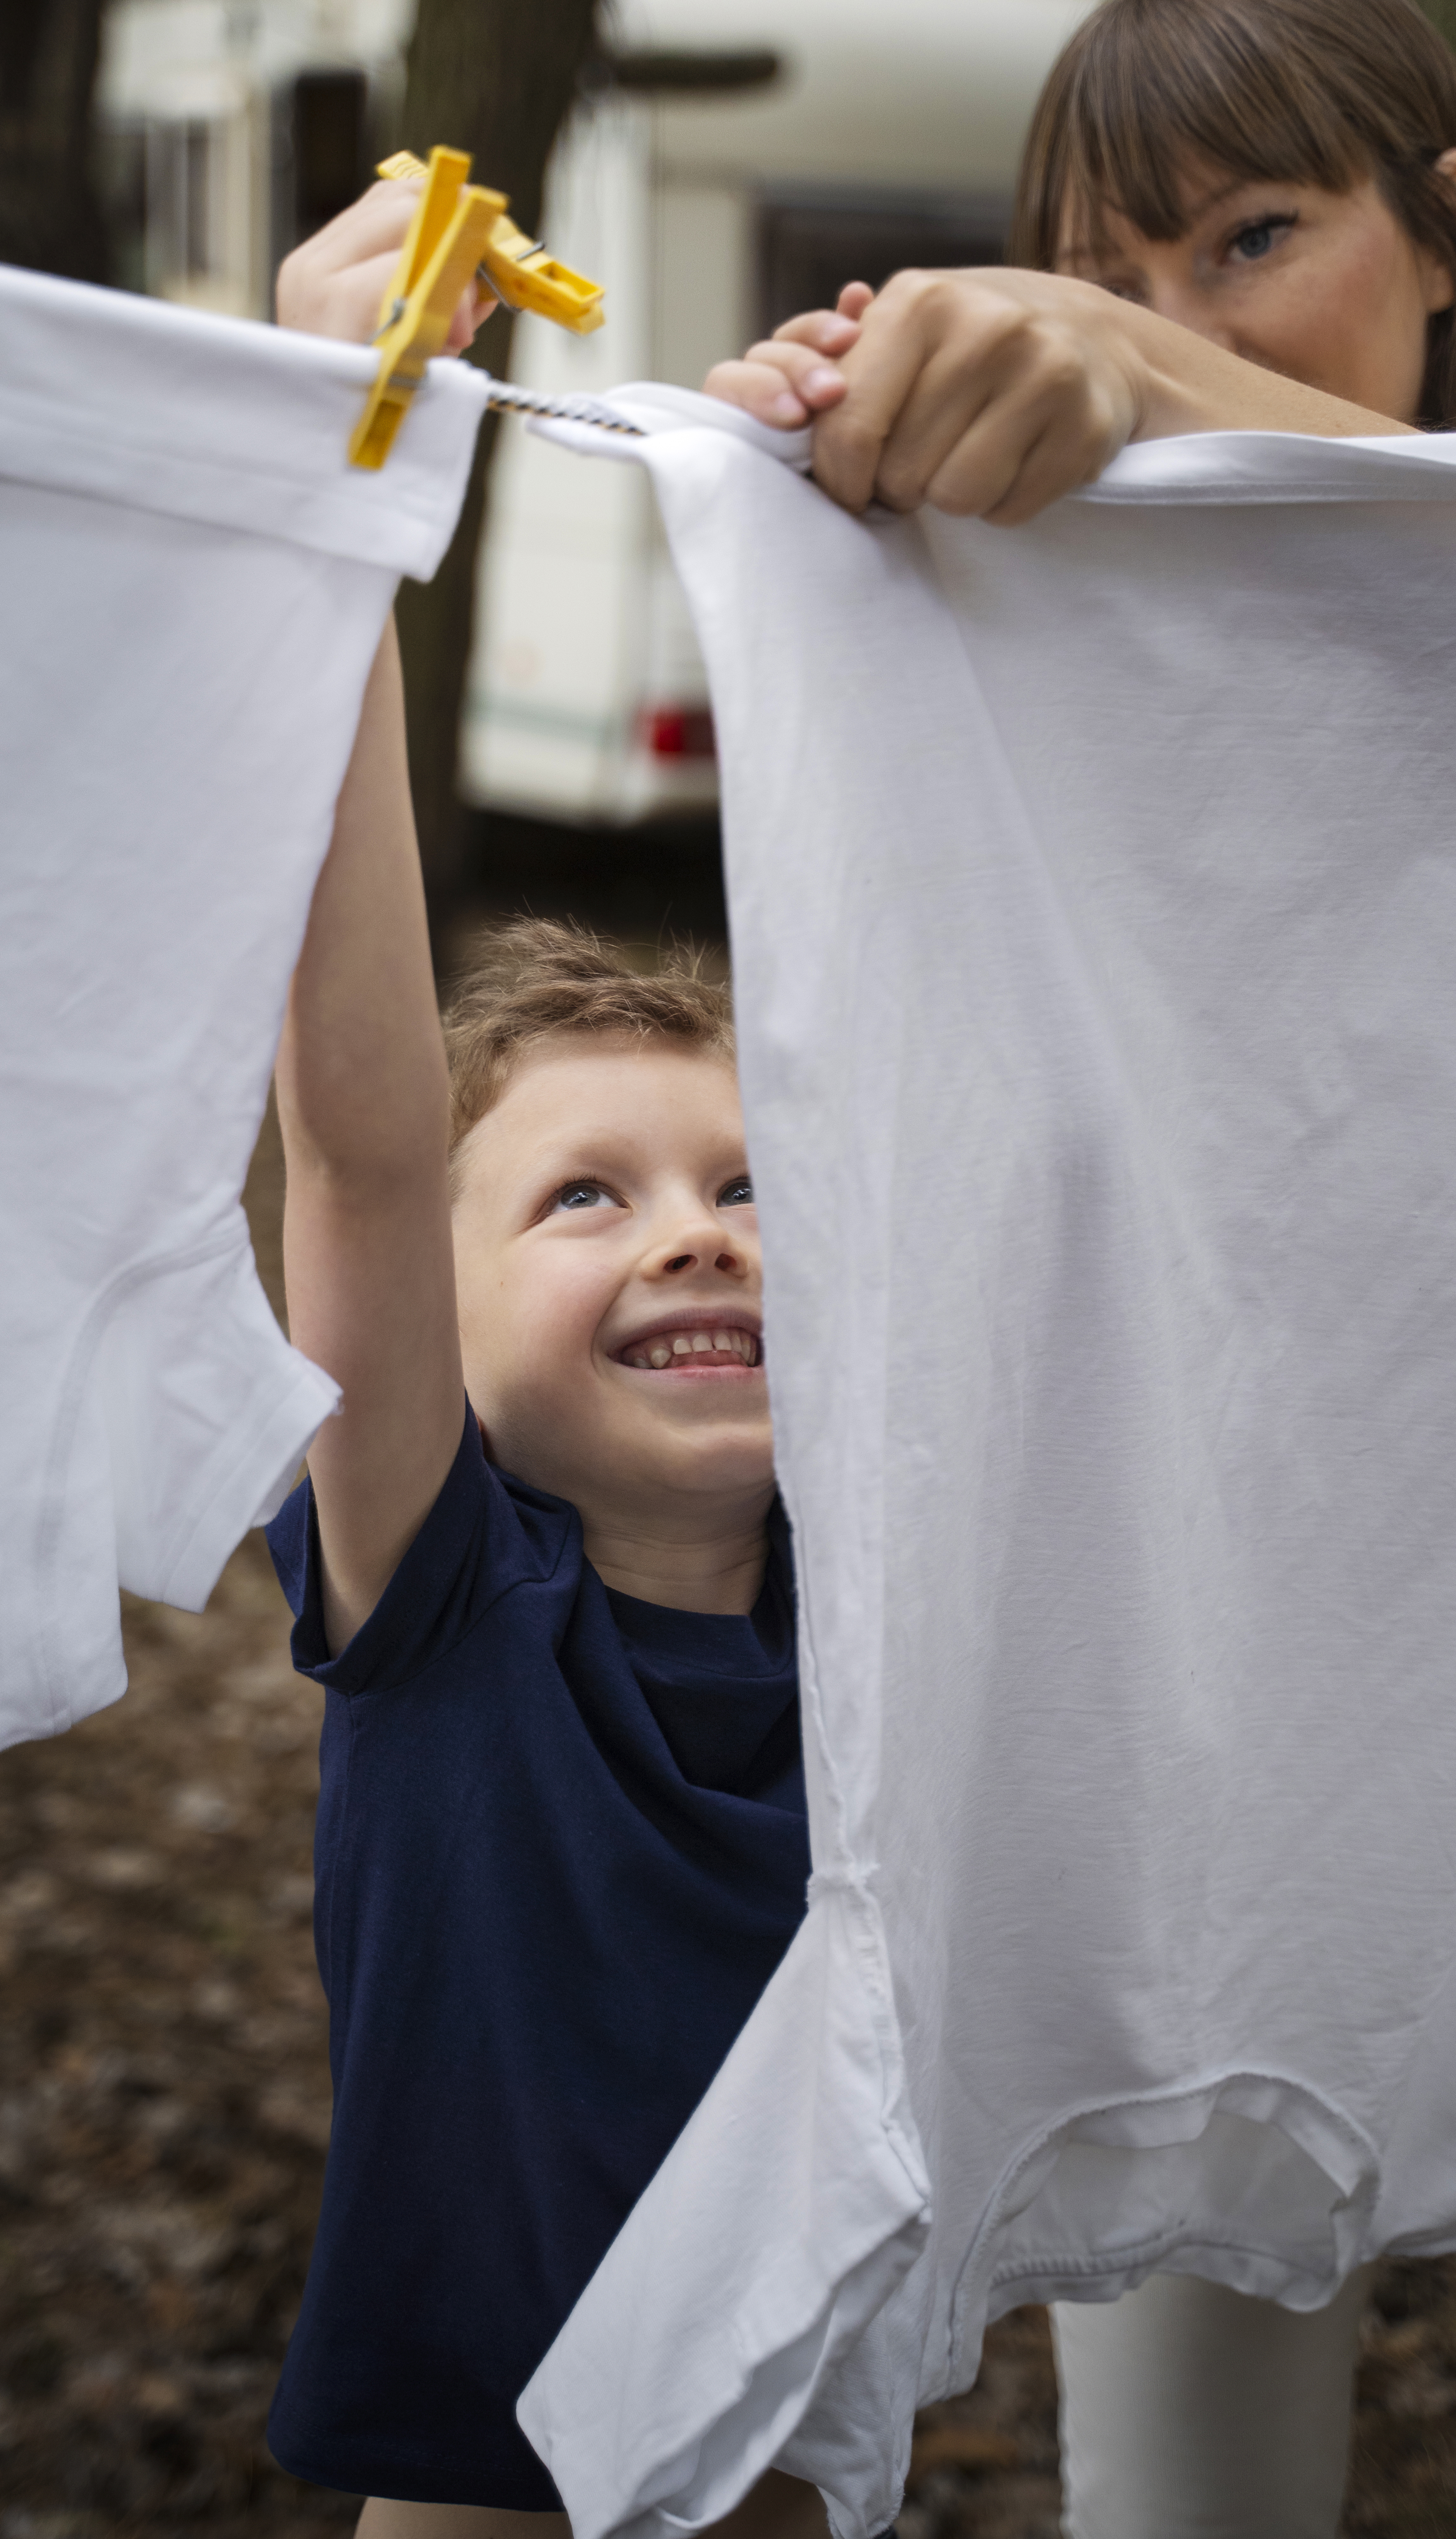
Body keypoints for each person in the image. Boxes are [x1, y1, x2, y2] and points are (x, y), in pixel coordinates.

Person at [708, 3, 1456, 2533]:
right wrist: (831, 497)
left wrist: (1132, 359)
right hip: (1228, 1636)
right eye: (1112, 267)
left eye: (1258, 235)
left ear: (1442, 226)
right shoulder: (1052, 604)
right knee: (1196, 2430)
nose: (1187, 316)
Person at [260, 183, 827, 2539]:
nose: (696, 1227)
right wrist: (338, 464)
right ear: (442, 1326)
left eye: (748, 1182)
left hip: (795, 2465)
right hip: (480, 2492)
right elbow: (368, 1135)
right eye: (584, 1195)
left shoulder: (891, 1606)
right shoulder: (449, 1599)